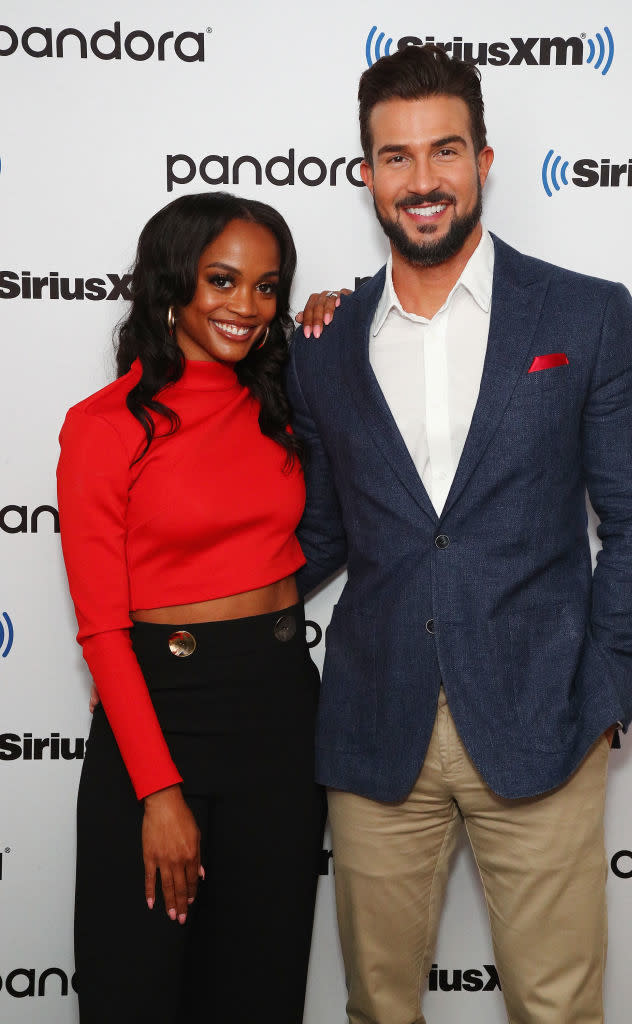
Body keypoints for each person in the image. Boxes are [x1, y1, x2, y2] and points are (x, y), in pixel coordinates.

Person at [288, 45, 632, 1024]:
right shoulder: (321, 342)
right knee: (379, 1005)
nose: (422, 181)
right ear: (366, 174)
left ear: (484, 160)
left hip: (545, 721)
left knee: (555, 1006)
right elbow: (319, 530)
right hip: (375, 728)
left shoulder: (585, 315)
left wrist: (606, 697)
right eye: (397, 157)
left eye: (444, 151)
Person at [56, 192, 326, 1024]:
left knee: (259, 991)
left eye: (268, 286)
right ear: (173, 281)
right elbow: (102, 627)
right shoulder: (104, 427)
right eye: (222, 279)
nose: (246, 306)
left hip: (281, 713)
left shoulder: (280, 400)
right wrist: (159, 792)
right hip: (161, 716)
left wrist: (333, 312)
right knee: (134, 992)